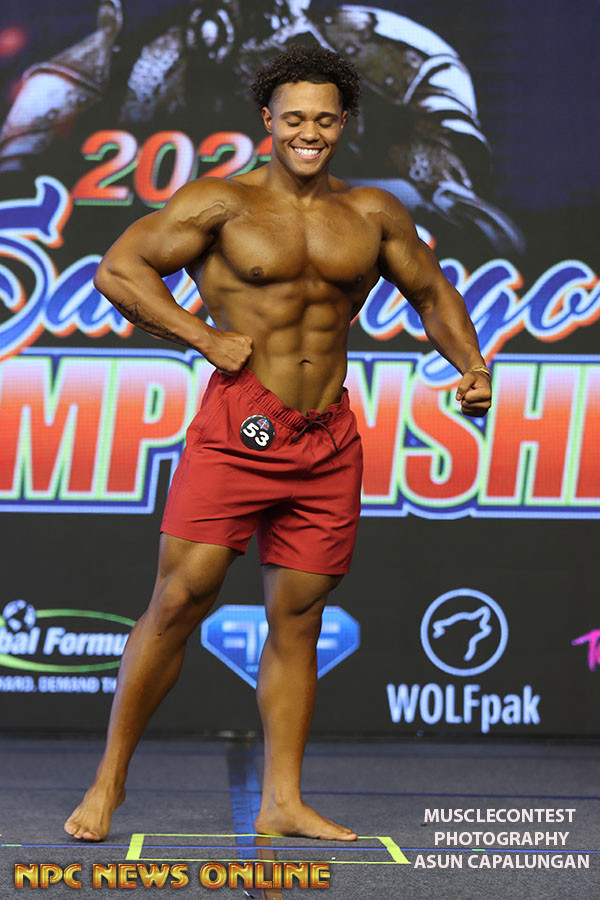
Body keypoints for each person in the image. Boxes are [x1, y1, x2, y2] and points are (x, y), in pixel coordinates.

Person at [64, 43, 491, 844]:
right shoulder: (220, 203)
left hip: (327, 436)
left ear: (344, 123)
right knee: (180, 600)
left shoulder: (372, 213)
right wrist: (204, 337)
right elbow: (120, 271)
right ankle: (109, 781)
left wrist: (472, 366)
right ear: (268, 120)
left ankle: (283, 801)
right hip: (239, 425)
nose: (309, 132)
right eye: (294, 118)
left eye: (324, 119)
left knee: (298, 618)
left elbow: (433, 293)